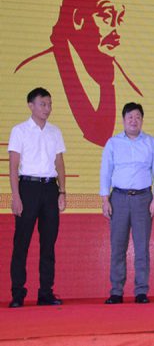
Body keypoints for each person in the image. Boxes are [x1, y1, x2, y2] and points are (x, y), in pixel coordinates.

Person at [15, 0, 141, 146]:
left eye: (120, 18)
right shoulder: (34, 69)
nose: (117, 30)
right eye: (108, 16)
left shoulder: (125, 78)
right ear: (78, 18)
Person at [8, 87, 67, 308]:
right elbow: (13, 166)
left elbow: (59, 163)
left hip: (50, 189)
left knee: (48, 244)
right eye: (43, 104)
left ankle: (45, 293)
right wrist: (16, 196)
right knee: (21, 243)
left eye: (49, 104)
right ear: (30, 105)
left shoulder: (55, 131)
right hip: (28, 188)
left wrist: (62, 191)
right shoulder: (19, 131)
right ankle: (18, 293)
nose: (47, 108)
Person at [100, 103, 154, 304]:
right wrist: (105, 199)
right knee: (118, 247)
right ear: (123, 120)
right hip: (118, 198)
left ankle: (141, 291)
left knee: (142, 247)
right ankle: (116, 291)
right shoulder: (113, 143)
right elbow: (105, 171)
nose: (134, 121)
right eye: (130, 117)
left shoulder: (151, 143)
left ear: (142, 120)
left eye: (137, 117)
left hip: (143, 199)